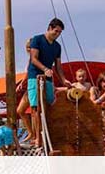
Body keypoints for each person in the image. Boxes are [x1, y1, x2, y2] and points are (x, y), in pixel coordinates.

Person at [27, 18, 72, 147]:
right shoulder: (37, 39)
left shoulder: (57, 47)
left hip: (48, 79)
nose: (57, 34)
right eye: (56, 31)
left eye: (60, 33)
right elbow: (33, 59)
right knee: (36, 108)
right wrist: (45, 69)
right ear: (50, 28)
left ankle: (48, 135)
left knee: (50, 106)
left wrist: (64, 80)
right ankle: (37, 138)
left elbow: (58, 66)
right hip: (34, 76)